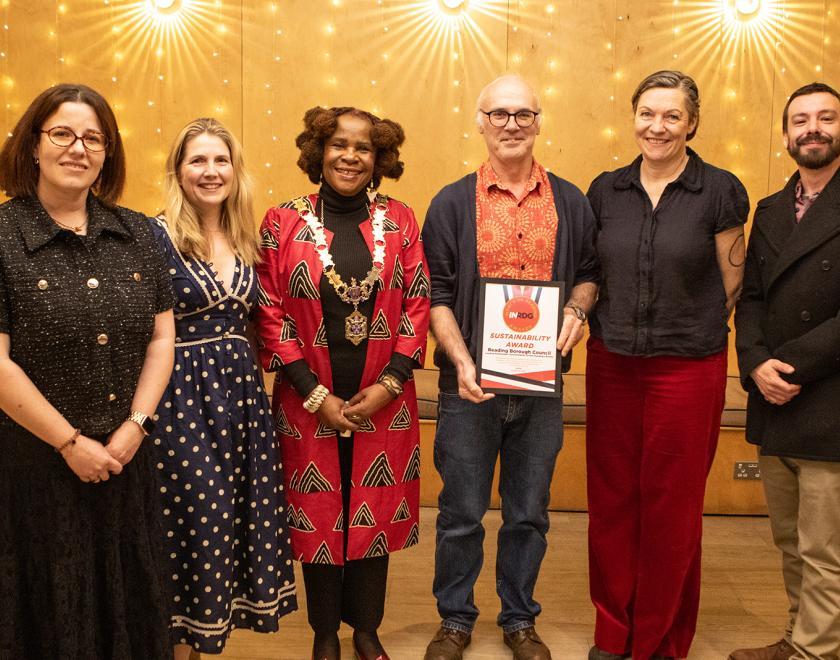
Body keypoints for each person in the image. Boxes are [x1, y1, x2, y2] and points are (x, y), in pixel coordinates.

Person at [421, 74, 599, 660]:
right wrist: (462, 362)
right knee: (461, 514)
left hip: (541, 389)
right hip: (468, 387)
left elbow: (591, 273)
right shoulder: (451, 202)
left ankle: (519, 618)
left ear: (539, 121)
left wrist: (577, 305)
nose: (511, 124)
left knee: (528, 514)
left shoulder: (571, 201)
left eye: (523, 114)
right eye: (499, 114)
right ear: (480, 121)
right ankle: (455, 618)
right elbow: (436, 296)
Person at [0, 84, 175, 658]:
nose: (78, 148)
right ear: (32, 145)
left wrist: (137, 425)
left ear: (108, 153)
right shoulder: (3, 236)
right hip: (33, 469)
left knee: (129, 605)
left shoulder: (140, 234)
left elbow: (160, 338)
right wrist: (70, 442)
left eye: (93, 138)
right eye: (62, 134)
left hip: (127, 460)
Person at [584, 70, 749, 660]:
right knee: (610, 505)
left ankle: (658, 638)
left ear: (692, 123)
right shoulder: (604, 190)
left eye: (671, 116)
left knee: (672, 510)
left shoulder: (721, 190)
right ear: (634, 117)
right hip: (612, 364)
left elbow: (733, 284)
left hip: (688, 368)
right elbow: (591, 276)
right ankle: (614, 630)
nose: (658, 126)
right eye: (648, 113)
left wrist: (685, 326)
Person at [255, 106, 430, 660]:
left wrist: (391, 384)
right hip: (308, 403)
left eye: (362, 148)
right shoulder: (282, 222)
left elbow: (418, 304)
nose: (350, 156)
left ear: (379, 159)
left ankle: (367, 631)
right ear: (318, 152)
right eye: (338, 145)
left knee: (371, 512)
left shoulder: (401, 221)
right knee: (319, 518)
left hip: (386, 400)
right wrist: (314, 395)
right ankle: (325, 634)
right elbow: (269, 313)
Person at [149, 117, 297, 659]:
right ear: (178, 170)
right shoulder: (153, 235)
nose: (210, 172)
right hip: (178, 401)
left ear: (235, 172)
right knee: (187, 528)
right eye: (198, 161)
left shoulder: (247, 238)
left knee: (221, 532)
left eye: (221, 161)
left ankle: (195, 650)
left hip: (241, 404)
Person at [730, 82, 840, 660]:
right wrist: (753, 365)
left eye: (825, 118)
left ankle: (817, 651)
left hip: (828, 397)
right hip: (772, 396)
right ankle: (802, 635)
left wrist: (791, 365)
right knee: (790, 541)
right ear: (786, 133)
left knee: (826, 548)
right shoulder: (771, 208)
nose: (813, 128)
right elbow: (749, 300)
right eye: (801, 120)